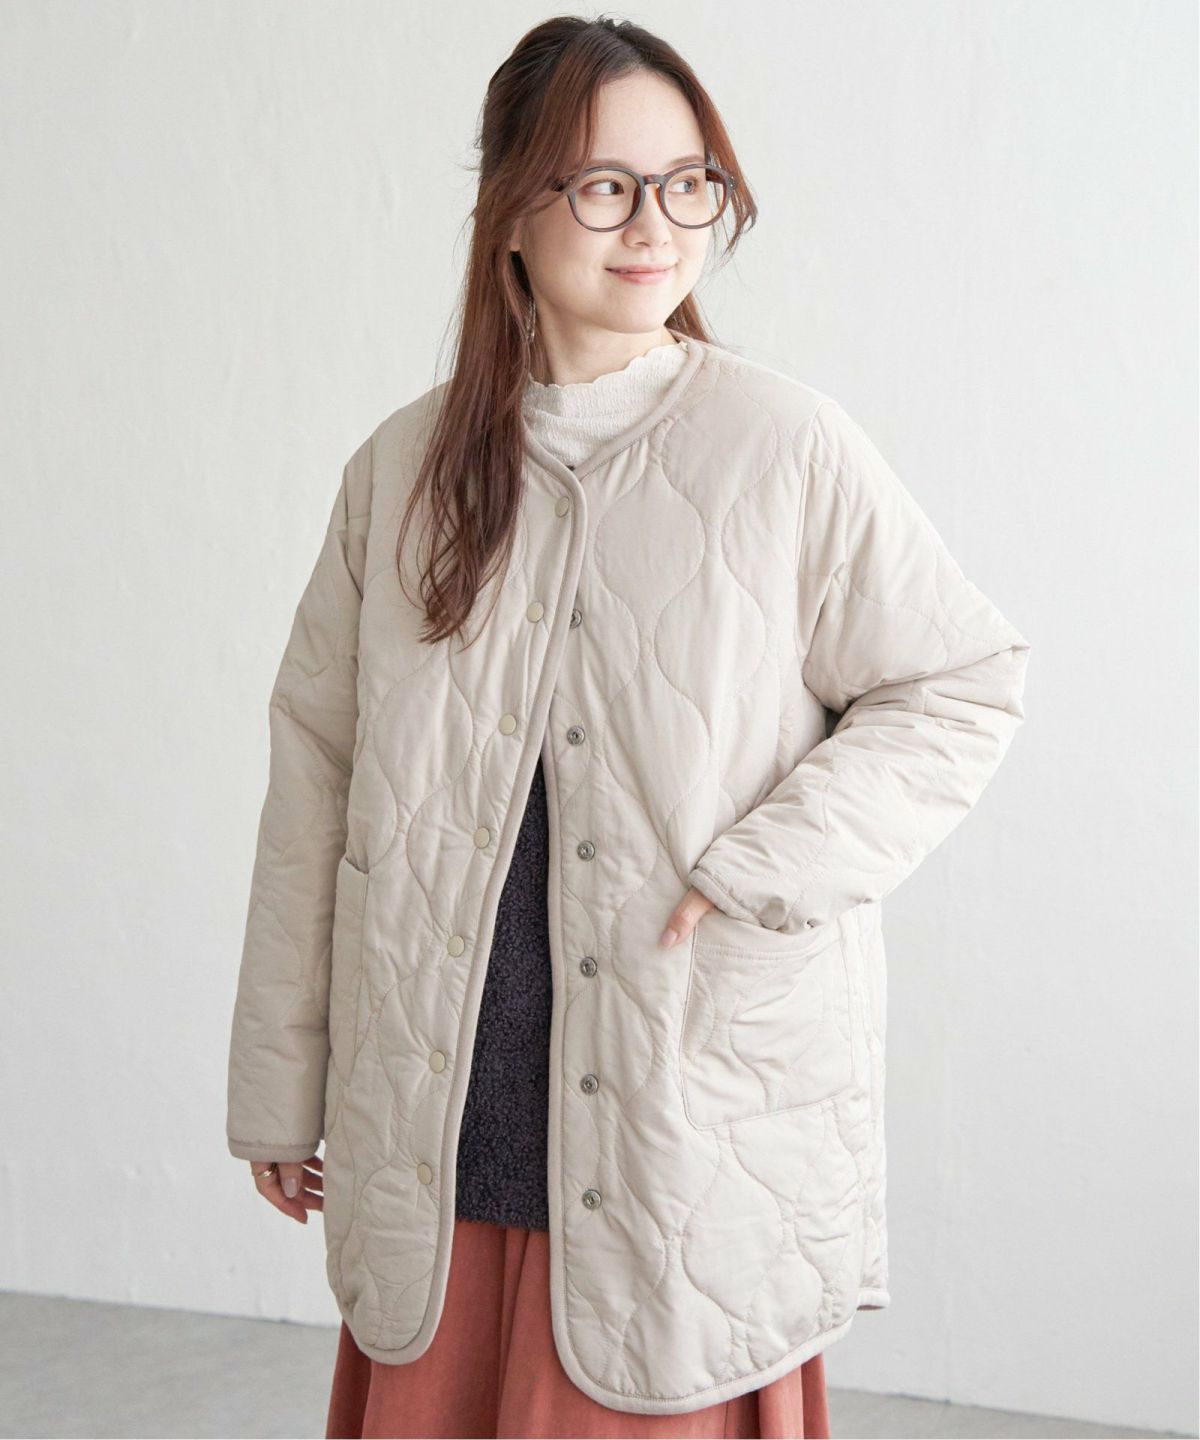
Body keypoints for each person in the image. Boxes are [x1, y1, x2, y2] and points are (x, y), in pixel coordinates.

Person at [227, 15, 1030, 1440]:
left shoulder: (785, 447)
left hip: (682, 1111)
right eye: (604, 184)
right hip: (443, 1112)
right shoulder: (401, 472)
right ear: (511, 211)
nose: (655, 223)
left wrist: (766, 865)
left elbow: (959, 682)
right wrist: (281, 1088)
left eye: (687, 182)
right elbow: (317, 781)